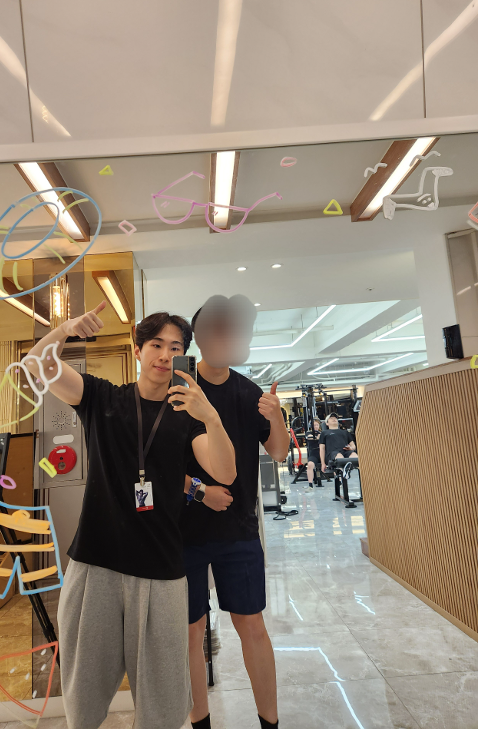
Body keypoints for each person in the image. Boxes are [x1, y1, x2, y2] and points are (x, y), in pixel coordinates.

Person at [26, 301, 236, 729]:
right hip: (95, 564)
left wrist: (211, 417)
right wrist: (65, 329)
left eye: (175, 348)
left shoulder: (188, 417)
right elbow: (35, 366)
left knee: (164, 700)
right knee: (83, 693)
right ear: (137, 350)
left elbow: (225, 472)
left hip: (161, 569)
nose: (165, 355)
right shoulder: (101, 396)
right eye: (156, 344)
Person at [181, 295, 290, 729]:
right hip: (183, 530)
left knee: (252, 625)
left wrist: (277, 417)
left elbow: (278, 453)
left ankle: (270, 722)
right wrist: (198, 491)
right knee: (191, 631)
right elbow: (155, 463)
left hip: (238, 528)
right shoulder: (179, 390)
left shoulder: (249, 392)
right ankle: (201, 723)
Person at [303, 417, 322, 493]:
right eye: (314, 425)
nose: (316, 427)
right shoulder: (308, 433)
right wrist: (317, 437)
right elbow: (309, 438)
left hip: (322, 453)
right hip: (314, 453)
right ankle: (310, 485)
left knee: (335, 461)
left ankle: (340, 482)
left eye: (317, 425)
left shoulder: (322, 433)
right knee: (310, 465)